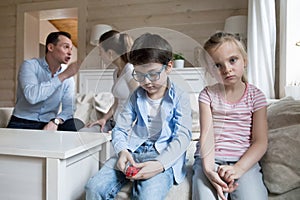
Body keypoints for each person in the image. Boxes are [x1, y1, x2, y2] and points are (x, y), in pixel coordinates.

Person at [85, 33, 192, 200]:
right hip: (134, 150)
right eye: (139, 75)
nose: (147, 82)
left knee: (147, 197)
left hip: (163, 154)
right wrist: (122, 151)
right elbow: (120, 129)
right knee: (94, 188)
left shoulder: (180, 97)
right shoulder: (136, 96)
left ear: (169, 66)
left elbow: (183, 137)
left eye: (153, 74)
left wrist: (159, 165)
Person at [192, 32, 268, 200]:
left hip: (243, 160)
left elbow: (260, 141)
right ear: (210, 71)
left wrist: (239, 169)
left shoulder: (256, 96)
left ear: (245, 60)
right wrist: (209, 170)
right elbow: (206, 136)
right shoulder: (207, 95)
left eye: (232, 60)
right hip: (210, 159)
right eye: (217, 65)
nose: (226, 69)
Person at [7, 31, 83, 131]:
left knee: (75, 124)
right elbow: (32, 96)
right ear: (50, 47)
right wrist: (63, 76)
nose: (70, 52)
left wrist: (56, 121)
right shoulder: (29, 66)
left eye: (71, 49)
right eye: (66, 47)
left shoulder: (68, 76)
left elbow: (68, 109)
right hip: (22, 122)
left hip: (48, 124)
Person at [80, 30, 138, 133]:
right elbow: (116, 103)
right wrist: (103, 119)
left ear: (110, 53)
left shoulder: (130, 71)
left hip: (127, 128)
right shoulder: (116, 72)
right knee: (84, 132)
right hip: (113, 123)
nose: (99, 54)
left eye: (100, 51)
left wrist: (127, 130)